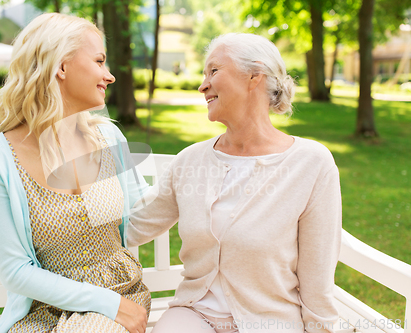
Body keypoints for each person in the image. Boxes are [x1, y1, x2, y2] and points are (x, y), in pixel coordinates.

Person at [127, 33, 342, 333]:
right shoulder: (190, 161)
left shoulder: (311, 163)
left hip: (272, 321)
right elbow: (132, 226)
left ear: (255, 75)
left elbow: (317, 276)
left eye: (213, 71)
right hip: (195, 314)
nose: (203, 85)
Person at [0, 13, 150, 333]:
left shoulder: (109, 137)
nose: (109, 76)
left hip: (120, 293)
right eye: (99, 61)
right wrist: (112, 307)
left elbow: (143, 214)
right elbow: (15, 272)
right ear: (62, 66)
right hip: (41, 312)